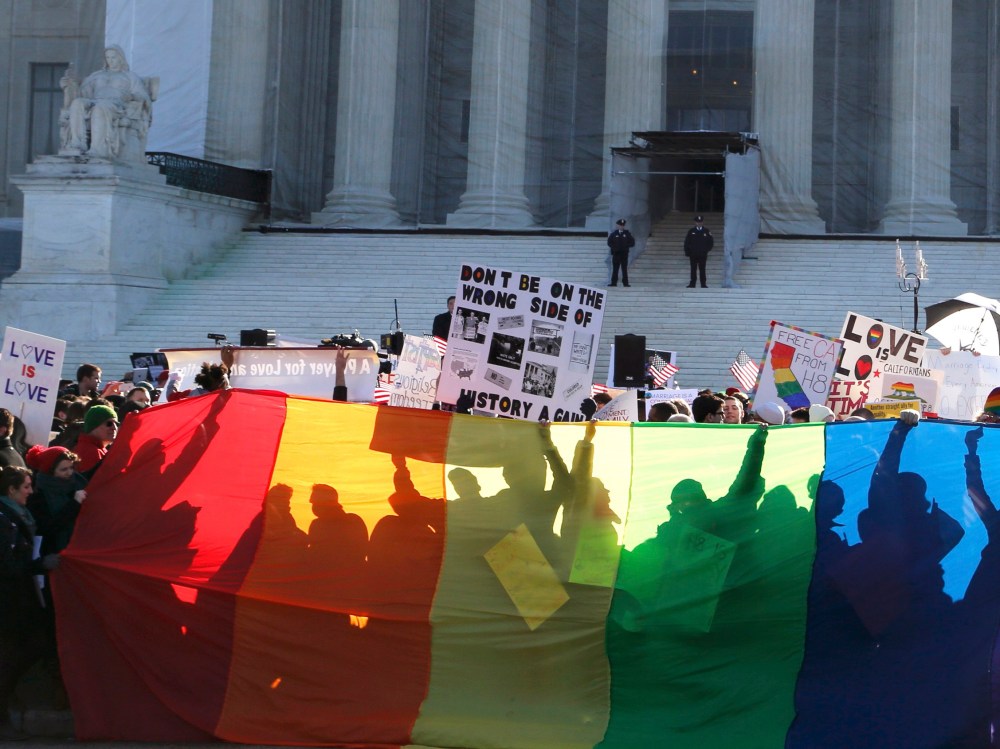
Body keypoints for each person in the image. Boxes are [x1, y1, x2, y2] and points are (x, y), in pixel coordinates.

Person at [0, 466, 60, 741]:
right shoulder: (6, 520)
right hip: (11, 599)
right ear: (11, 491)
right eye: (25, 486)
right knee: (23, 648)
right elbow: (9, 565)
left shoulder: (16, 516)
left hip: (17, 596)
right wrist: (38, 565)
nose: (30, 491)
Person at [63, 45, 153, 161]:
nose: (110, 61)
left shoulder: (130, 77)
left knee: (100, 108)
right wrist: (71, 84)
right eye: (108, 58)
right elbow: (82, 92)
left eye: (113, 57)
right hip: (95, 101)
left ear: (120, 58)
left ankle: (98, 148)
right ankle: (77, 143)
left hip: (116, 105)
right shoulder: (97, 75)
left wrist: (131, 96)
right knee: (77, 103)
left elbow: (143, 96)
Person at [73, 404, 118, 473]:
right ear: (93, 426)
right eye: (109, 423)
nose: (114, 428)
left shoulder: (97, 448)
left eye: (116, 424)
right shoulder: (90, 452)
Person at [683, 214, 714, 288]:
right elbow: (687, 242)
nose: (699, 223)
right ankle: (692, 283)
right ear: (695, 222)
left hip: (702, 254)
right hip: (693, 254)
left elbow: (711, 242)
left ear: (703, 222)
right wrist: (688, 252)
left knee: (702, 269)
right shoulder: (691, 231)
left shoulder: (706, 231)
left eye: (700, 222)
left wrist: (706, 250)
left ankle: (703, 284)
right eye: (697, 222)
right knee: (693, 269)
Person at [607, 218, 635, 287]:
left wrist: (626, 246)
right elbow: (609, 242)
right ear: (617, 226)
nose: (621, 227)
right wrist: (614, 248)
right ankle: (614, 282)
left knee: (624, 269)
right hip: (616, 254)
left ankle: (625, 283)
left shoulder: (627, 234)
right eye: (620, 225)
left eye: (622, 225)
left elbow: (632, 242)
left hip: (624, 254)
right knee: (615, 269)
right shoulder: (614, 234)